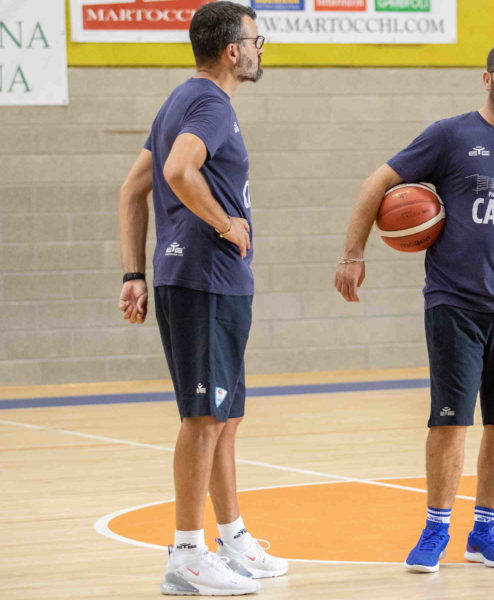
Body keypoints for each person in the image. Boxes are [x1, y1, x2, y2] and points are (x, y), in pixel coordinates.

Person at [334, 39, 494, 574]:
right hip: (454, 302)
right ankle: (435, 529)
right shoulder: (450, 136)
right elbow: (377, 183)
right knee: (450, 422)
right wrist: (353, 252)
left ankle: (485, 532)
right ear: (488, 77)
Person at [117, 2, 287, 595]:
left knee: (227, 417)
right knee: (204, 416)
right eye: (256, 39)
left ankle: (231, 536)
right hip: (204, 278)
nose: (261, 48)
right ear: (232, 49)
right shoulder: (209, 104)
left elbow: (132, 189)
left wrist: (132, 273)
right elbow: (178, 170)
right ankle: (186, 552)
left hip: (212, 281)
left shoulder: (181, 100)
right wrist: (225, 223)